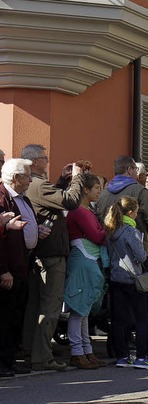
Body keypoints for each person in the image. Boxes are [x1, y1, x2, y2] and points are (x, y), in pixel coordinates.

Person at [21, 144, 85, 372]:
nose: (47, 162)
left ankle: (31, 350)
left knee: (35, 306)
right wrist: (77, 179)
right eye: (45, 159)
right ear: (35, 161)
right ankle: (42, 357)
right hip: (51, 255)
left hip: (41, 253)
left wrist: (61, 179)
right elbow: (70, 202)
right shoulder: (38, 185)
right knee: (50, 306)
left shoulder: (34, 185)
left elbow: (53, 201)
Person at [0, 159, 41, 377]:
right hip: (8, 269)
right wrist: (3, 270)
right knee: (4, 317)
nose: (30, 180)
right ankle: (2, 363)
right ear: (15, 178)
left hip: (22, 265)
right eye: (27, 176)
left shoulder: (21, 198)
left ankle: (9, 360)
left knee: (15, 316)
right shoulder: (2, 198)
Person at [104, 196, 148, 369]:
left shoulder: (111, 230)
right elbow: (141, 256)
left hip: (115, 277)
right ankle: (142, 357)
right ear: (131, 212)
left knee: (119, 319)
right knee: (142, 318)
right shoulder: (130, 231)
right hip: (133, 279)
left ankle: (123, 356)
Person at [64, 174, 108, 370]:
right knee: (79, 310)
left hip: (87, 257)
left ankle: (86, 350)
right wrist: (110, 229)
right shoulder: (79, 212)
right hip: (83, 259)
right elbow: (97, 236)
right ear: (85, 190)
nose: (99, 191)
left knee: (84, 311)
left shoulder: (86, 210)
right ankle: (77, 352)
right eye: (97, 187)